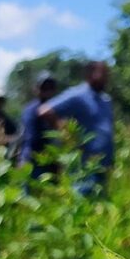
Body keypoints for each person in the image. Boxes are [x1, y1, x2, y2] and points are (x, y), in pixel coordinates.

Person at [37, 61, 114, 197]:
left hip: (102, 166)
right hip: (83, 166)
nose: (106, 78)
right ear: (90, 75)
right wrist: (66, 132)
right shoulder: (78, 95)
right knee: (81, 207)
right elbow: (45, 110)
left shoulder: (105, 100)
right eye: (103, 74)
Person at [18, 71, 60, 179]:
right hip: (32, 161)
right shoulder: (30, 110)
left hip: (53, 163)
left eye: (50, 88)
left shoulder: (59, 109)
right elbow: (30, 138)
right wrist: (24, 160)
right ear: (36, 89)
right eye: (44, 88)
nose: (47, 91)